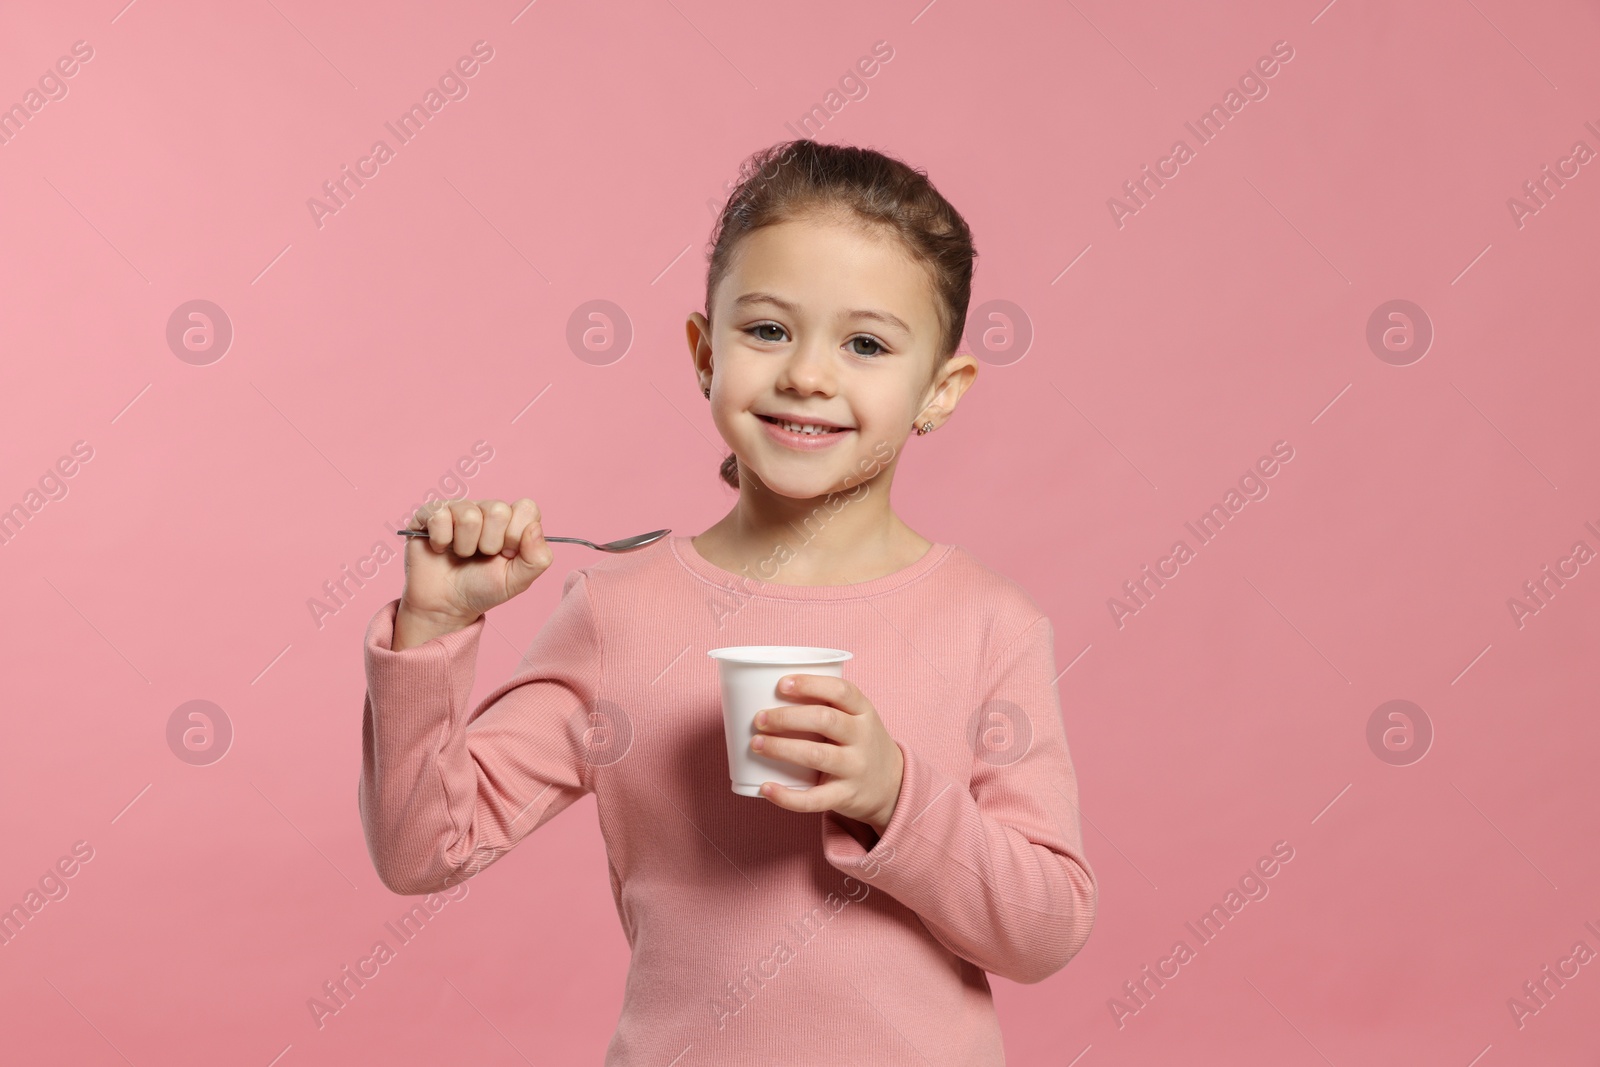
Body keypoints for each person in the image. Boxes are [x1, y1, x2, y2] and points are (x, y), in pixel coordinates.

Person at [359, 138, 1097, 1065]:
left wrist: (890, 795)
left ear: (939, 392)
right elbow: (423, 848)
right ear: (705, 353)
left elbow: (1046, 928)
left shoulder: (991, 625)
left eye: (865, 343)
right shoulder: (619, 610)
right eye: (767, 330)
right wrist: (433, 633)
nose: (807, 376)